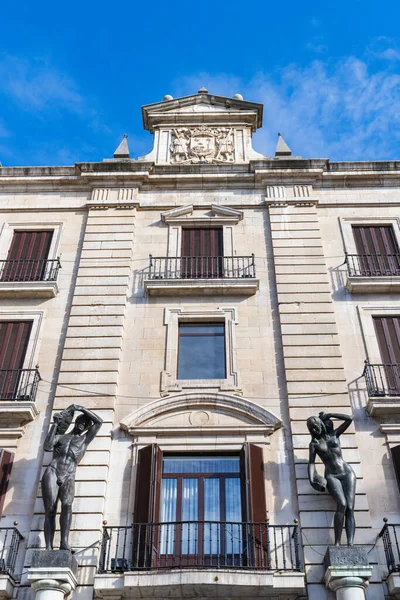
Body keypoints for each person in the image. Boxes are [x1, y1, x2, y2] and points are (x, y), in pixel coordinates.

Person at [42, 404, 103, 551]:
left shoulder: (85, 440)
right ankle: (48, 547)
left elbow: (99, 421)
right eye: (81, 422)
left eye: (86, 424)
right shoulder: (61, 437)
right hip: (53, 470)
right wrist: (55, 424)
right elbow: (47, 446)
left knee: (67, 506)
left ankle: (64, 542)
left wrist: (82, 408)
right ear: (76, 422)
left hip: (69, 474)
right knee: (50, 510)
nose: (83, 425)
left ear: (88, 427)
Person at [307, 411, 356, 546]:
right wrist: (312, 480)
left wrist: (330, 415)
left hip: (347, 473)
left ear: (321, 424)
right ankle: (337, 543)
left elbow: (349, 418)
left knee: (350, 508)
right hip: (331, 475)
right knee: (342, 504)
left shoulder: (335, 434)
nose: (314, 429)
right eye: (311, 428)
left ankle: (350, 544)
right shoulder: (314, 444)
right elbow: (311, 463)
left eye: (316, 426)